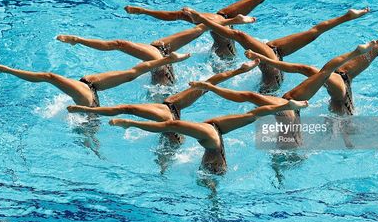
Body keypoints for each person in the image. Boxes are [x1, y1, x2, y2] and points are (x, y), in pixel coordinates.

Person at [66, 59, 260, 173]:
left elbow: (127, 109)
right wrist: (239, 70)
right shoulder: (177, 102)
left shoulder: (167, 109)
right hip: (184, 140)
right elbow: (210, 83)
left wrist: (91, 112)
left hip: (172, 142)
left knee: (165, 168)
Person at [189, 41, 377, 149]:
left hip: (290, 146)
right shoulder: (292, 101)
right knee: (322, 73)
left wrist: (210, 87)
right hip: (301, 134)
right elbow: (315, 69)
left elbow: (245, 96)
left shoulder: (280, 105)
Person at [242, 14, 378, 115]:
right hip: (344, 80)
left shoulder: (342, 113)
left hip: (343, 81)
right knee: (376, 48)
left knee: (317, 70)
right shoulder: (344, 112)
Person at [123, 0, 312, 59]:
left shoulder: (214, 23)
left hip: (219, 18)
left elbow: (178, 16)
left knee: (188, 17)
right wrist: (234, 21)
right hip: (221, 28)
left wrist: (145, 11)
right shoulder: (220, 44)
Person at [183, 7, 370, 93]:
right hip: (275, 61)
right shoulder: (273, 54)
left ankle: (202, 19)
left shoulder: (269, 86)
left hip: (271, 77)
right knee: (313, 32)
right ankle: (347, 16)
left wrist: (201, 18)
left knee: (239, 35)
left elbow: (238, 35)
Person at [109, 99, 309, 175]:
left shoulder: (205, 134)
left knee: (207, 186)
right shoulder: (214, 128)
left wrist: (130, 123)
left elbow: (170, 125)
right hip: (217, 147)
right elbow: (253, 114)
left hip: (213, 166)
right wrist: (287, 106)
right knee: (252, 116)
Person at [56, 14, 255, 86]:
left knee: (119, 45)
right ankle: (78, 40)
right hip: (161, 58)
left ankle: (79, 40)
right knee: (200, 28)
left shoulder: (162, 93)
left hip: (162, 65)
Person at [0, 52, 190, 108]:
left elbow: (49, 77)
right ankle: (168, 59)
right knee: (131, 73)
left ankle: (6, 70)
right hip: (90, 92)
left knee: (51, 77)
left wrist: (5, 69)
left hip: (89, 97)